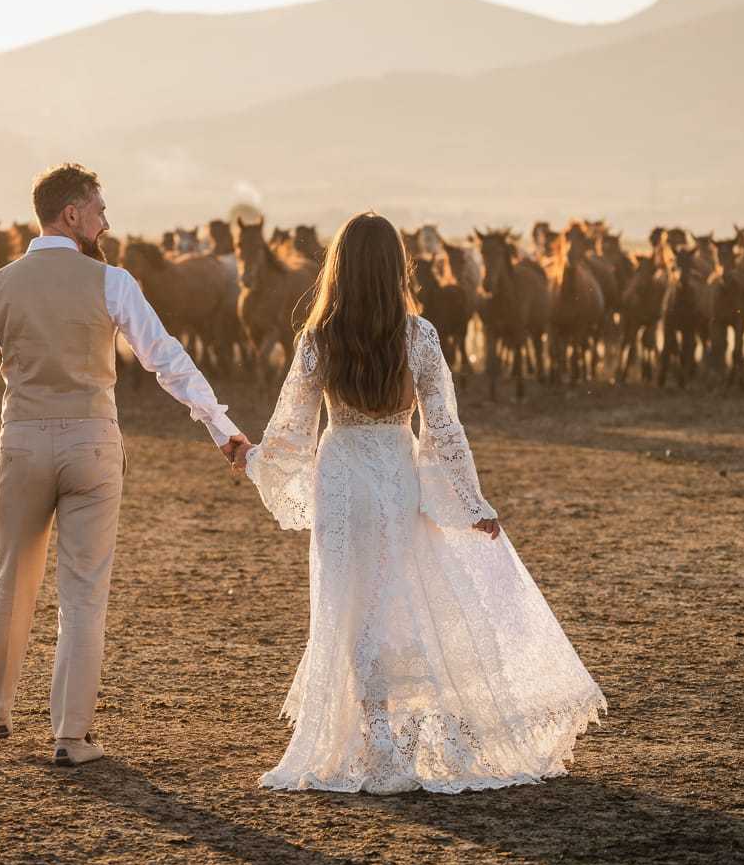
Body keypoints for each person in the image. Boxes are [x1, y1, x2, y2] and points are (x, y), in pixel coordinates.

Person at [232, 211, 606, 794]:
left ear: (339, 268)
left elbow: (291, 434)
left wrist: (255, 459)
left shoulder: (318, 338)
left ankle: (378, 735)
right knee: (399, 595)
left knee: (349, 602)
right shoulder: (420, 336)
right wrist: (470, 502)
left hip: (341, 478)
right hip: (395, 472)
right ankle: (409, 734)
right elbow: (444, 431)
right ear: (395, 269)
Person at [0, 162, 247, 767]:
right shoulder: (112, 283)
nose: (107, 219)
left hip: (23, 444)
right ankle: (71, 735)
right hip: (92, 445)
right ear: (72, 214)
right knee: (84, 593)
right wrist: (220, 426)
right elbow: (166, 358)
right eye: (99, 208)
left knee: (11, 579)